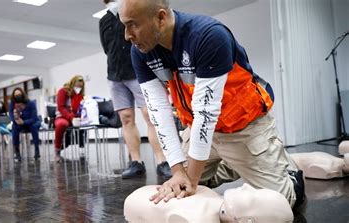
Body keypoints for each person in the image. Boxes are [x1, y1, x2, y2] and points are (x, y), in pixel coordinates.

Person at [118, 0, 305, 210]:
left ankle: (285, 170)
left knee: (281, 203)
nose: (127, 35)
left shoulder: (209, 35)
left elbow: (206, 114)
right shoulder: (140, 50)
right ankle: (234, 163)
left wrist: (192, 180)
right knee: (181, 187)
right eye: (124, 25)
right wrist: (179, 172)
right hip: (197, 127)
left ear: (160, 18)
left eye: (133, 24)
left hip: (243, 127)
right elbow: (158, 112)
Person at [99, 0, 171, 179]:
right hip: (115, 76)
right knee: (126, 118)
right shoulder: (103, 21)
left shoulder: (131, 11)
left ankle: (162, 161)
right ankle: (136, 162)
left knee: (150, 115)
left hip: (137, 72)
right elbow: (106, 48)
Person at [124, 183, 294, 223]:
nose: (246, 185)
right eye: (256, 189)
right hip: (144, 195)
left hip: (140, 201)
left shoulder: (199, 218)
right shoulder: (216, 200)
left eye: (252, 196)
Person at [54, 75, 85, 163]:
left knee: (85, 124)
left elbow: (79, 108)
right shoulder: (62, 91)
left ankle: (76, 143)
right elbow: (61, 108)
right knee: (62, 124)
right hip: (62, 116)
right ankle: (57, 152)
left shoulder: (79, 95)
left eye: (80, 87)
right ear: (72, 83)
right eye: (77, 86)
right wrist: (71, 118)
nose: (78, 88)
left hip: (74, 117)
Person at [9, 88, 41, 162]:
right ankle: (17, 152)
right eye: (16, 95)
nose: (18, 96)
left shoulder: (31, 103)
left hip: (33, 122)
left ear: (23, 94)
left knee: (33, 127)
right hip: (20, 123)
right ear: (13, 97)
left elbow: (34, 118)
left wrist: (24, 122)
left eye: (19, 95)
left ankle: (37, 150)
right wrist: (16, 120)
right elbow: (11, 116)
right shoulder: (12, 104)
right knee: (14, 127)